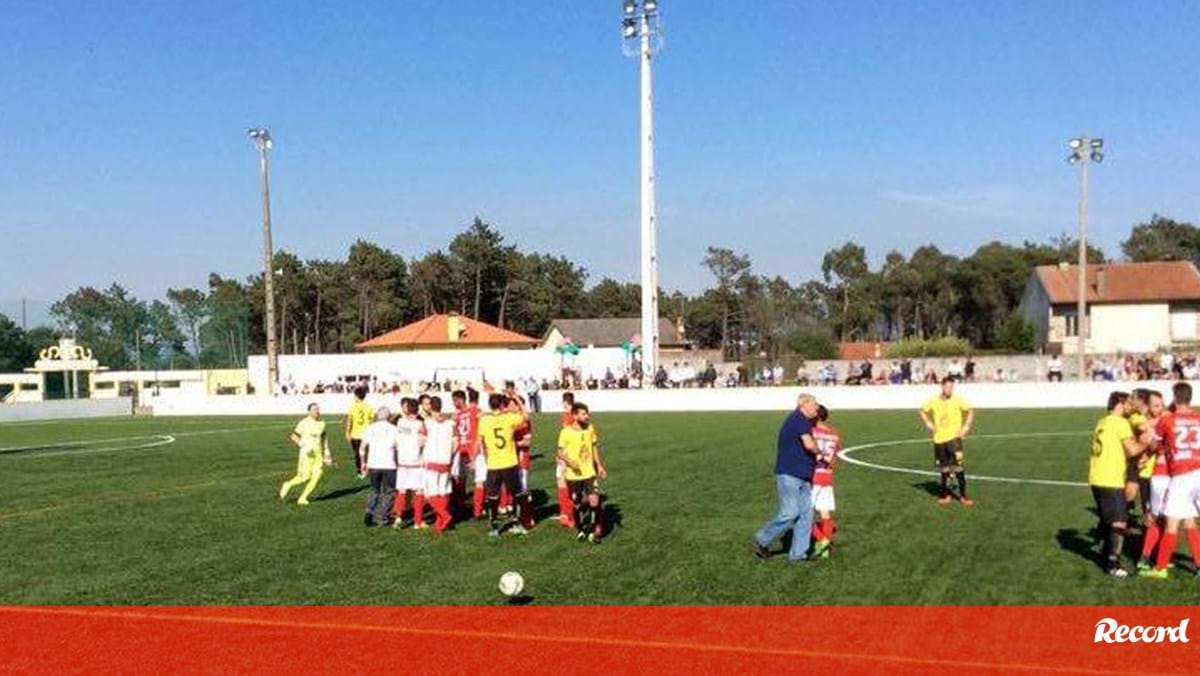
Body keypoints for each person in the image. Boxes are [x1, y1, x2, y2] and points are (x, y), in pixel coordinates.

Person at [1141, 382, 1200, 579]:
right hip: (1198, 472)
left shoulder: (1169, 420)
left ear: (1175, 397)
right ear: (1190, 397)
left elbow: (1155, 446)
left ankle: (1160, 568)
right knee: (1190, 521)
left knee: (1172, 522)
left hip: (1181, 475)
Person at [752, 394, 820, 562]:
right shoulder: (799, 419)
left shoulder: (803, 420)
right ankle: (762, 539)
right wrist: (821, 453)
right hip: (790, 473)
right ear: (804, 405)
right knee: (790, 513)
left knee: (806, 515)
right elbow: (809, 445)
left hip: (803, 474)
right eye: (814, 404)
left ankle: (798, 554)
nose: (817, 408)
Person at [1090, 391, 1146, 577]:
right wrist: (1145, 443)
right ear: (1119, 405)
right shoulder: (1120, 422)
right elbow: (1131, 450)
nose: (1131, 406)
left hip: (1096, 477)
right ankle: (1113, 564)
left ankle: (1104, 557)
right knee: (1120, 522)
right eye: (1128, 403)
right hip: (1110, 479)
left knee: (1108, 522)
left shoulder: (1102, 422)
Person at [478, 393, 531, 536]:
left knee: (493, 497)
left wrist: (487, 456)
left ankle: (494, 527)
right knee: (517, 494)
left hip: (493, 464)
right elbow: (526, 416)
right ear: (502, 405)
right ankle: (518, 523)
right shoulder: (509, 418)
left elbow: (481, 441)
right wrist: (519, 400)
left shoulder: (484, 420)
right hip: (510, 462)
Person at [557, 402, 608, 543]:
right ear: (574, 415)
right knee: (577, 504)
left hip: (589, 473)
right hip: (573, 475)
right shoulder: (566, 432)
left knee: (594, 500)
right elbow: (560, 452)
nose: (587, 416)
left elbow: (594, 448)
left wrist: (599, 466)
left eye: (587, 413)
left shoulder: (590, 429)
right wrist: (569, 462)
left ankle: (592, 531)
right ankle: (580, 530)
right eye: (583, 414)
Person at [919, 377, 975, 505]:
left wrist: (966, 426)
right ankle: (945, 495)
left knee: (958, 468)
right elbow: (922, 410)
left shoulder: (957, 400)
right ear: (942, 387)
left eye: (952, 387)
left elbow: (970, 411)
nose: (950, 390)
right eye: (948, 387)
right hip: (939, 439)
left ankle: (963, 497)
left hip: (954, 439)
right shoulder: (934, 400)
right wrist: (928, 422)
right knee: (944, 469)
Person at [278, 402, 332, 506]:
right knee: (305, 477)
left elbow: (324, 438)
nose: (317, 411)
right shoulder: (303, 422)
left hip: (318, 454)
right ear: (309, 412)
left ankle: (303, 498)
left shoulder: (322, 423)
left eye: (318, 409)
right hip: (307, 454)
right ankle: (287, 484)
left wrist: (327, 452)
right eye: (314, 409)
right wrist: (302, 444)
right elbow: (294, 435)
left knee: (318, 474)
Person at [358, 406, 399, 527]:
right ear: (389, 416)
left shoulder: (370, 428)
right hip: (389, 464)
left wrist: (363, 463)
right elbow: (398, 448)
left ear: (377, 416)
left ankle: (369, 513)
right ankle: (385, 517)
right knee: (389, 491)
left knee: (374, 490)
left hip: (373, 464)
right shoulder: (394, 429)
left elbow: (362, 449)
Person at [810, 405, 841, 559]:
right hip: (827, 476)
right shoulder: (834, 434)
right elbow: (835, 457)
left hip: (812, 475)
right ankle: (825, 549)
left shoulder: (811, 432)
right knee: (825, 513)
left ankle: (822, 541)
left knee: (801, 514)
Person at [391, 398, 428, 529]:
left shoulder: (400, 422)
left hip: (402, 461)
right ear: (417, 409)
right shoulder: (419, 424)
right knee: (418, 491)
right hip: (415, 462)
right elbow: (423, 443)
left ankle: (398, 519)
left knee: (401, 491)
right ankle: (417, 522)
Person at [422, 396, 456, 532]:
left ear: (430, 406)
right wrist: (451, 456)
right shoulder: (450, 423)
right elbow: (456, 442)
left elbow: (421, 442)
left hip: (431, 461)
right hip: (445, 461)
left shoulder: (427, 423)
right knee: (443, 492)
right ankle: (440, 523)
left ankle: (444, 515)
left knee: (430, 494)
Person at [556, 392, 578, 527]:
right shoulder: (578, 416)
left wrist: (561, 456)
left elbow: (567, 438)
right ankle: (568, 514)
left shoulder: (567, 416)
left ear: (565, 402)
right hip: (575, 455)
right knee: (571, 485)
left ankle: (568, 516)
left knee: (563, 484)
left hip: (566, 456)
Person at [344, 385, 373, 478]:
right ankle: (366, 469)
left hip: (355, 434)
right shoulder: (369, 406)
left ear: (356, 396)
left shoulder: (353, 406)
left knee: (357, 453)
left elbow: (349, 420)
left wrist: (347, 432)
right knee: (365, 452)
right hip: (366, 434)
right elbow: (371, 421)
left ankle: (360, 471)